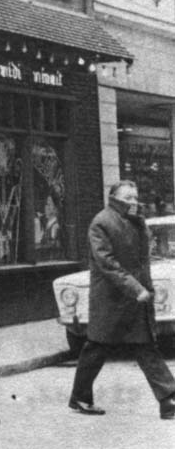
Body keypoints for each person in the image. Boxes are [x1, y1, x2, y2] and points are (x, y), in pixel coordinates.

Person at [69, 180, 175, 420]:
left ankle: (169, 400)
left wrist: (143, 289)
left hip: (133, 299)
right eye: (128, 197)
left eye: (135, 197)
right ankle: (80, 397)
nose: (133, 201)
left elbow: (140, 261)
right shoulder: (101, 222)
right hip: (112, 300)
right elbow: (107, 264)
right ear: (113, 196)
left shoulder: (134, 221)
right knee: (96, 348)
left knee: (145, 348)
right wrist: (136, 288)